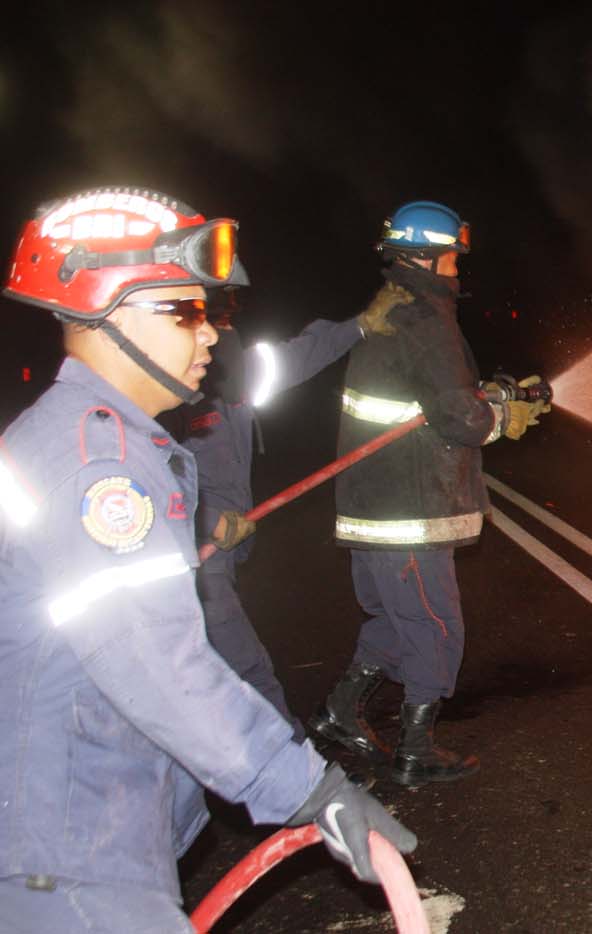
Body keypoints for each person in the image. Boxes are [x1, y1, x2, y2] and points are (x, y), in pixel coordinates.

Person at [0, 187, 414, 932]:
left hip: (78, 833)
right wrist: (308, 790)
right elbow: (154, 662)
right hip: (65, 859)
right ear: (112, 310)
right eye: (185, 311)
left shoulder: (76, 438)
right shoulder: (102, 467)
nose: (210, 334)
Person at [308, 200, 548, 785]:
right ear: (431, 254)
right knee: (436, 625)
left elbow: (430, 393)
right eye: (452, 256)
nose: (457, 268)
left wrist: (488, 393)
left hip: (374, 507)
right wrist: (499, 416)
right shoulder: (427, 319)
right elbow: (457, 419)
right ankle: (416, 748)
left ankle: (340, 711)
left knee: (394, 621)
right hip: (408, 507)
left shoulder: (394, 313)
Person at [164, 286, 407, 740]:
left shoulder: (225, 370)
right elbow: (141, 476)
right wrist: (207, 517)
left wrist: (358, 325)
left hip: (217, 548)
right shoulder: (160, 390)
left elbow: (294, 358)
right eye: (211, 323)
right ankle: (300, 786)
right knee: (245, 669)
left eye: (225, 321)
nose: (219, 338)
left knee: (208, 679)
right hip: (184, 558)